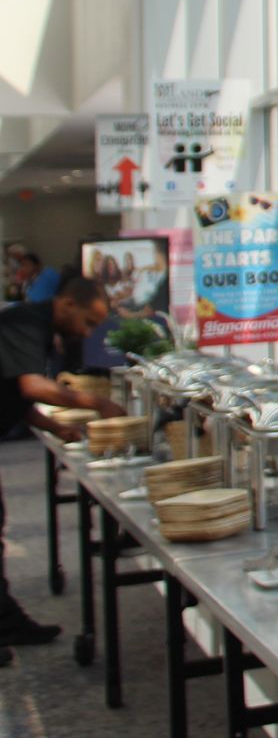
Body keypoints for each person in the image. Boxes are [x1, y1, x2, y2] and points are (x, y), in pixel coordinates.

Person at [0, 276, 123, 665]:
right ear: (67, 303)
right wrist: (98, 404)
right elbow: (32, 387)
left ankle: (7, 623)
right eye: (87, 322)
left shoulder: (35, 327)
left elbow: (15, 396)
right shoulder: (24, 324)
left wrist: (56, 427)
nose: (86, 332)